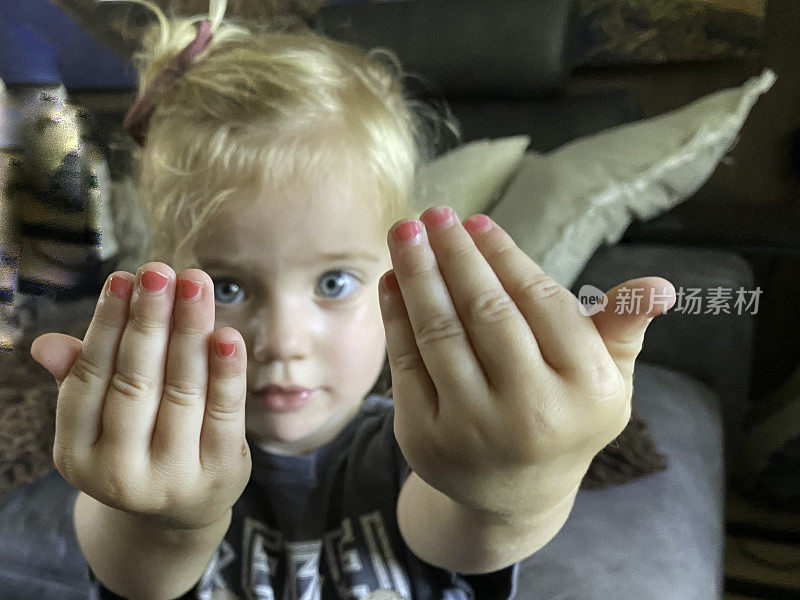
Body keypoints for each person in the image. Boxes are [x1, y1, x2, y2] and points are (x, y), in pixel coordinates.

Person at [29, 1, 677, 598]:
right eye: (227, 287)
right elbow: (132, 568)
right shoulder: (158, 447)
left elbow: (457, 530)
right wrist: (167, 524)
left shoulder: (425, 441)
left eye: (334, 282)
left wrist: (514, 493)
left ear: (398, 283)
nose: (283, 340)